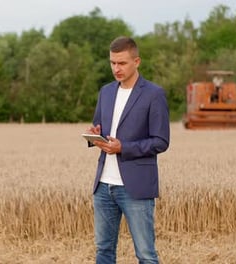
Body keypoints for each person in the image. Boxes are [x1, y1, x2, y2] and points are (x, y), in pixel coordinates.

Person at [85, 36, 170, 264]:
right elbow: (100, 128)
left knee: (145, 255)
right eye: (112, 63)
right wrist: (95, 135)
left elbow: (161, 141)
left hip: (136, 186)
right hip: (103, 186)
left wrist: (124, 148)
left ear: (137, 61)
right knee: (103, 251)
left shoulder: (154, 94)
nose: (116, 68)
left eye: (122, 63)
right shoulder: (106, 92)